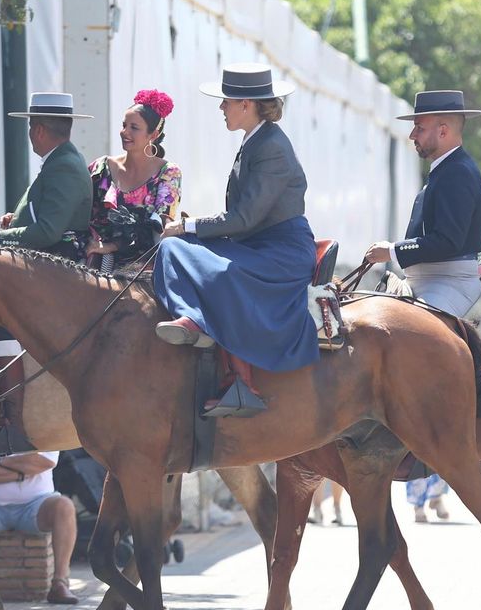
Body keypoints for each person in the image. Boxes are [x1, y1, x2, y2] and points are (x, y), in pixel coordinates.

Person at [152, 63, 319, 418]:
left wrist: (188, 225)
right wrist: (188, 231)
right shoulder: (256, 140)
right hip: (257, 244)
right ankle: (193, 321)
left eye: (226, 101)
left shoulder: (271, 145)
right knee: (173, 249)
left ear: (246, 103)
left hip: (281, 252)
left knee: (205, 262)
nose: (221, 108)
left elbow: (245, 218)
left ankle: (241, 382)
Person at [362, 89, 481, 317]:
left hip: (450, 285)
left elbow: (448, 241)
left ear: (443, 131)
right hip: (427, 282)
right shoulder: (446, 169)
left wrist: (392, 251)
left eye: (419, 127)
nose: (412, 135)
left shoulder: (457, 171)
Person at [0, 91, 95, 258]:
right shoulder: (62, 160)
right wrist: (18, 218)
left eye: (31, 126)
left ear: (39, 131)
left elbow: (48, 232)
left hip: (54, 273)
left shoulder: (64, 166)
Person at [85, 89, 182, 273]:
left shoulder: (168, 173)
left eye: (134, 128)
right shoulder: (101, 167)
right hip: (92, 259)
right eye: (124, 125)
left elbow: (161, 230)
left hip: (142, 270)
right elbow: (75, 206)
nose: (124, 132)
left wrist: (111, 246)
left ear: (153, 135)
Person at [0, 450, 80, 604]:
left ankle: (59, 583)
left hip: (36, 504)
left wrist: (0, 462)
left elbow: (45, 462)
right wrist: (23, 471)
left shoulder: (44, 427)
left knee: (65, 507)